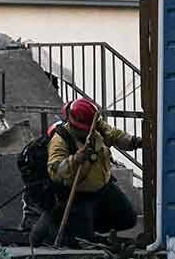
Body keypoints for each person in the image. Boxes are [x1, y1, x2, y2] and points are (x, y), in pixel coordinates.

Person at [31, 99, 141, 247]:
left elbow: (113, 134)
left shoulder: (95, 124)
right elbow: (55, 170)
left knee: (128, 219)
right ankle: (57, 225)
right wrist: (75, 160)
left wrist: (135, 142)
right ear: (73, 124)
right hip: (77, 194)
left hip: (103, 187)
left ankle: (83, 227)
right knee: (82, 241)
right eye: (84, 129)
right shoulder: (60, 139)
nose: (89, 132)